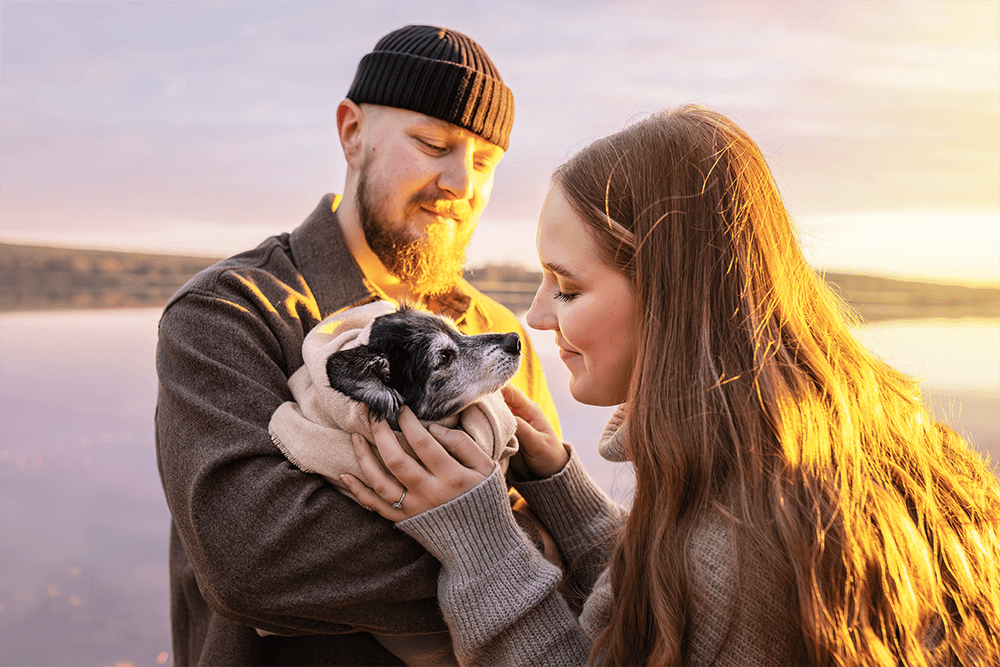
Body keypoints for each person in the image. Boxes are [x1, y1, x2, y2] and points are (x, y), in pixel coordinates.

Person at [342, 106, 1000, 666]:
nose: (537, 316)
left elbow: (704, 583)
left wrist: (477, 540)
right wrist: (562, 491)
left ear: (670, 296)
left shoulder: (747, 544)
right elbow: (669, 606)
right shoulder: (836, 447)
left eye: (567, 287)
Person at [155, 25, 560, 666]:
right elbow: (252, 561)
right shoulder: (227, 313)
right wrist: (510, 561)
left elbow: (555, 519)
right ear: (351, 132)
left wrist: (527, 554)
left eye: (485, 163)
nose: (461, 183)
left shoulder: (494, 333)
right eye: (433, 144)